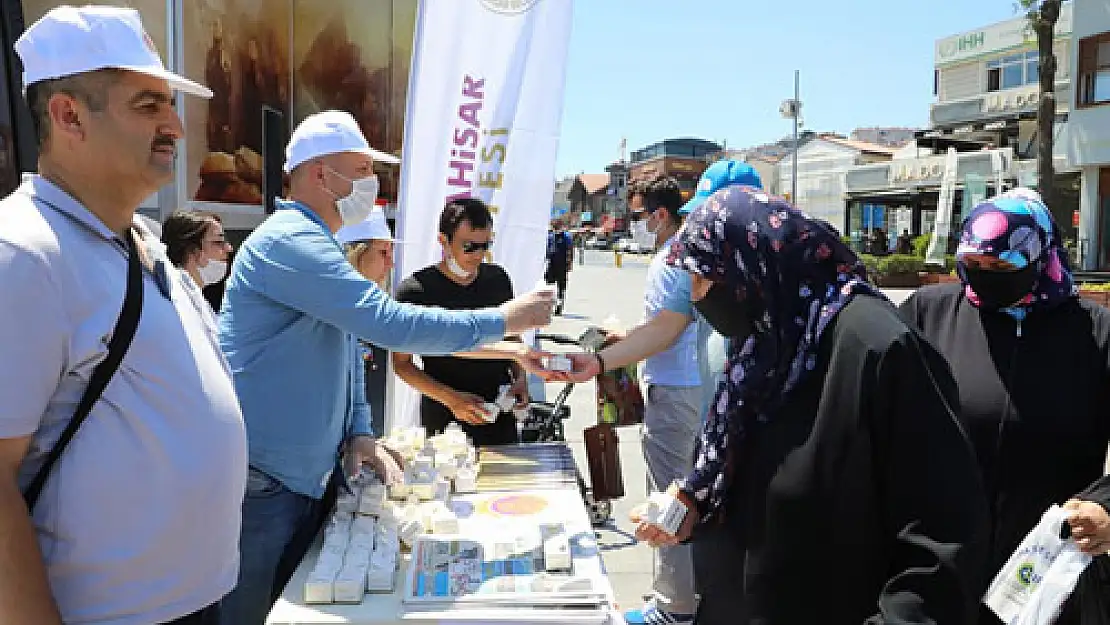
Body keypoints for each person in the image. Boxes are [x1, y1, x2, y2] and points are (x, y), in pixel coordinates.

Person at [566, 185, 990, 624]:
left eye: (703, 276)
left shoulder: (878, 349)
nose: (695, 296)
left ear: (752, 263)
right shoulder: (767, 338)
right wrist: (692, 502)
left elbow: (942, 535)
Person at [216, 110, 555, 625]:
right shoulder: (288, 241)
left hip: (303, 473)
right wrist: (504, 321)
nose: (369, 184)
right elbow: (387, 323)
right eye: (358, 169)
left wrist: (359, 432)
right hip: (268, 477)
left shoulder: (316, 243)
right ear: (318, 173)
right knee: (253, 611)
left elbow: (347, 349)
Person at [0, 6, 244, 624]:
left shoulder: (144, 242)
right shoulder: (23, 253)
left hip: (190, 605)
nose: (176, 128)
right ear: (69, 115)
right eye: (147, 106)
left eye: (169, 104)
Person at [898, 189, 1110, 624]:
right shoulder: (928, 314)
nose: (984, 276)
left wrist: (1107, 505)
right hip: (939, 568)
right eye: (973, 265)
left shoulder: (1095, 332)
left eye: (1002, 266)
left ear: (1041, 257)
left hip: (1050, 573)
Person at [582, 162, 762, 625]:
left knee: (673, 498)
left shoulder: (681, 254)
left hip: (681, 393)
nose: (638, 226)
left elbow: (667, 329)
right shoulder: (764, 258)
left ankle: (674, 607)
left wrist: (605, 357)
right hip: (731, 394)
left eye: (641, 215)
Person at [393, 198, 530, 447]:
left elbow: (511, 337)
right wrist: (451, 399)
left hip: (500, 412)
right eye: (469, 246)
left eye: (485, 245)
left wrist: (520, 378)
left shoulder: (498, 279)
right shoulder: (415, 291)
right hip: (445, 417)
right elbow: (402, 364)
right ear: (443, 240)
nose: (478, 255)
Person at [336, 209, 396, 437]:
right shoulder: (328, 306)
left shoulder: (354, 306)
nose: (390, 264)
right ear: (355, 253)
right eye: (383, 252)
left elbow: (357, 390)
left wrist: (362, 434)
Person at [162, 210, 234, 290]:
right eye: (218, 241)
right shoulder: (175, 297)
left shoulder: (188, 294)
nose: (229, 248)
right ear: (193, 249)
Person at [545, 219, 573, 314]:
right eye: (554, 227)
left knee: (561, 288)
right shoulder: (550, 237)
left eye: (556, 227)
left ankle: (559, 307)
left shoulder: (566, 237)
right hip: (551, 265)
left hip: (562, 266)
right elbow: (546, 251)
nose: (555, 229)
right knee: (549, 287)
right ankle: (548, 306)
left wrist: (569, 264)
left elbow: (569, 251)